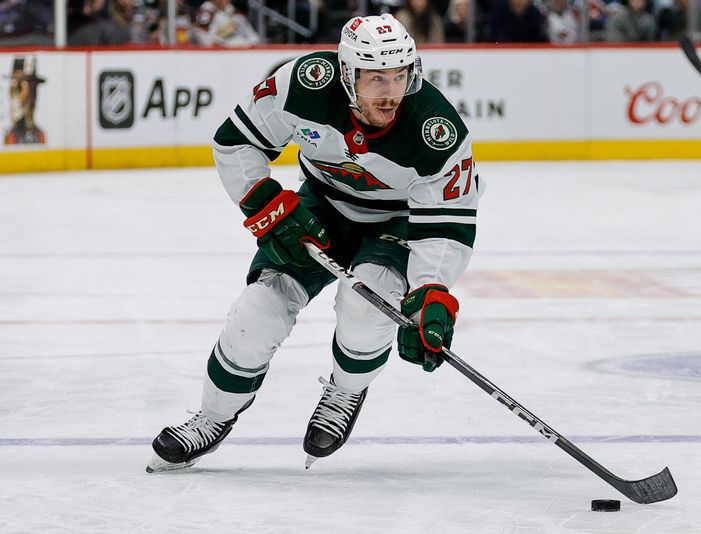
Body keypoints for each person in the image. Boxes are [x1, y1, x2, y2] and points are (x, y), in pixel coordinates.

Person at [146, 13, 482, 473]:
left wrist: (430, 295)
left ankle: (345, 391)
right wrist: (266, 205)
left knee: (366, 306)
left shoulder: (435, 131)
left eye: (400, 76)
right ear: (347, 74)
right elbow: (236, 142)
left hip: (397, 222)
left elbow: (446, 224)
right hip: (320, 206)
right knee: (256, 312)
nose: (390, 92)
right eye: (376, 78)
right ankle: (212, 416)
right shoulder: (304, 84)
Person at [4, 56, 46, 145]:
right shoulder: (11, 135)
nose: (22, 97)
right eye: (18, 88)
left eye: (31, 89)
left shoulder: (39, 136)